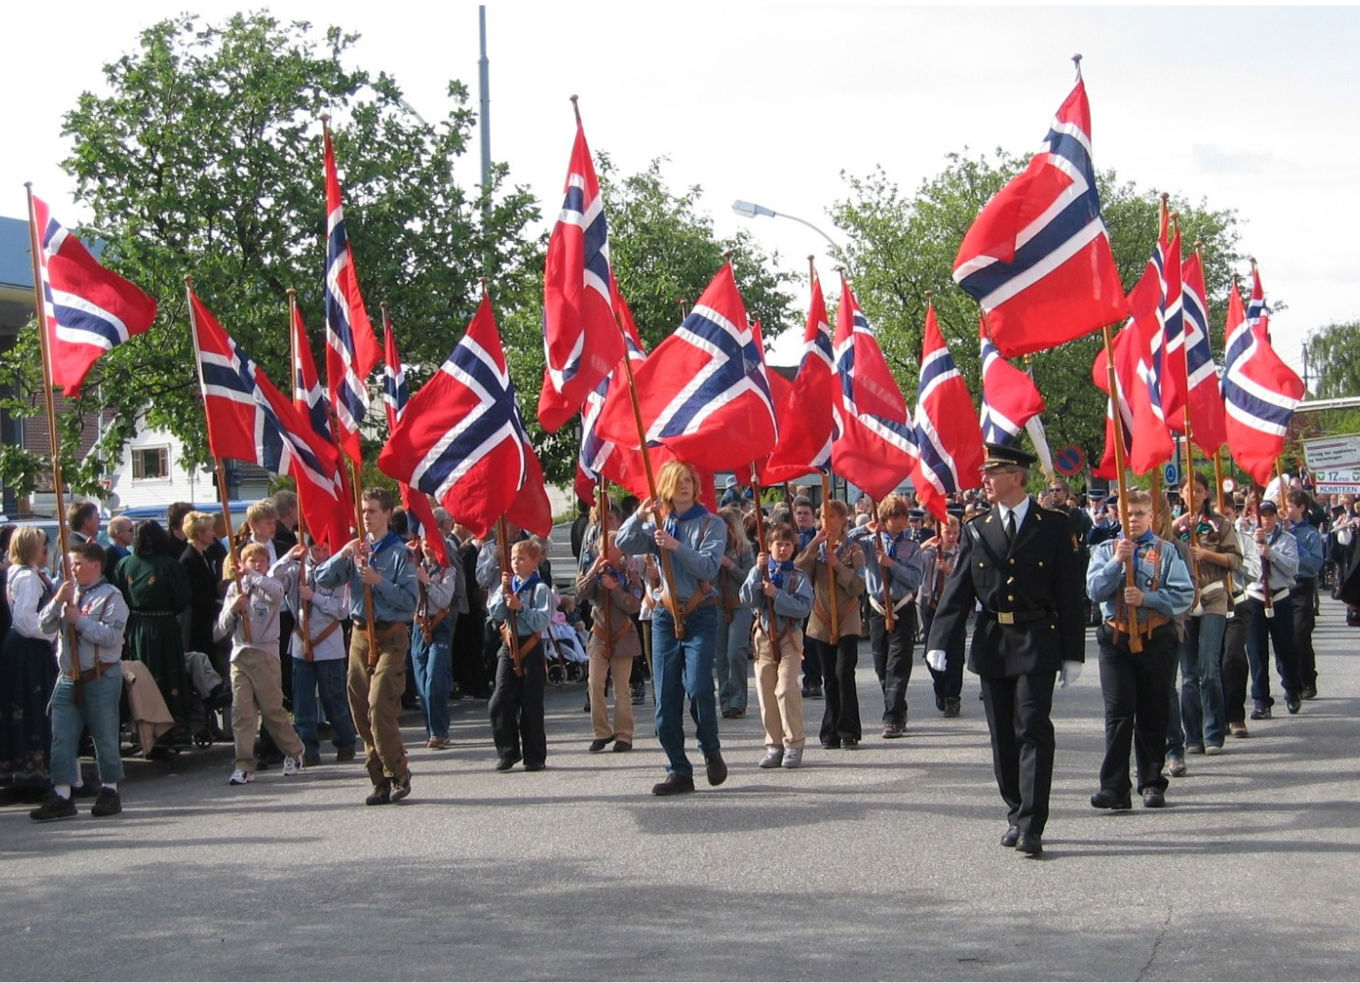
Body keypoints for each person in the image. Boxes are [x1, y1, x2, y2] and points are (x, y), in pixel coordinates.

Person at [925, 443, 1085, 857]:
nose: (985, 481)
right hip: (995, 640)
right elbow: (958, 590)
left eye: (993, 473)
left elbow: (1068, 592)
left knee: (1032, 726)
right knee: (1002, 736)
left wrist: (1073, 652)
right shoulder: (978, 528)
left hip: (1037, 637)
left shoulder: (1051, 525)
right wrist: (940, 639)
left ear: (1017, 476)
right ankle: (1015, 810)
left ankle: (1033, 822)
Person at [616, 459, 728, 796]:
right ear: (665, 485)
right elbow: (623, 542)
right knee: (664, 698)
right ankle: (678, 769)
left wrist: (674, 546)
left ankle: (709, 747)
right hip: (665, 614)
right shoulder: (658, 524)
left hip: (700, 611)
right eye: (678, 480)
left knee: (698, 686)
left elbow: (708, 568)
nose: (684, 486)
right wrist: (639, 515)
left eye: (689, 480)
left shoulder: (712, 524)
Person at [1087, 490, 1196, 809]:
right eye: (1128, 513)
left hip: (1154, 634)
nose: (1133, 519)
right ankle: (1114, 787)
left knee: (1152, 709)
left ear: (1152, 517)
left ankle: (1151, 781)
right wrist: (1117, 563)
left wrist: (1147, 599)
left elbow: (1183, 595)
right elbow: (1094, 591)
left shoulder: (1166, 551)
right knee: (1118, 712)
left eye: (1139, 514)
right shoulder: (1106, 549)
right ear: (1119, 516)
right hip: (1116, 636)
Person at [315, 488, 417, 806]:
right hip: (360, 634)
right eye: (362, 511)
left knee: (378, 705)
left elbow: (410, 600)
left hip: (390, 634)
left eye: (372, 510)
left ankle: (398, 771)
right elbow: (322, 580)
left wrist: (378, 581)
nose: (366, 517)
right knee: (360, 711)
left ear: (387, 514)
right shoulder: (358, 549)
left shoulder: (400, 553)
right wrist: (343, 554)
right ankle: (379, 781)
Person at [28, 541, 129, 822]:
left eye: (77, 563)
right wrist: (58, 602)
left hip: (99, 674)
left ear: (95, 565)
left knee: (105, 735)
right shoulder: (67, 592)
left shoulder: (112, 597)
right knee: (61, 735)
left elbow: (112, 637)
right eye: (70, 564)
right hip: (68, 676)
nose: (71, 568)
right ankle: (62, 794)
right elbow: (44, 626)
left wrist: (80, 622)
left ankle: (110, 790)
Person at [216, 542, 306, 785]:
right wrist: (233, 609)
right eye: (251, 561)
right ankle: (244, 764)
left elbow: (277, 593)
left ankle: (294, 750)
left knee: (272, 711)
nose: (256, 565)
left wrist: (254, 576)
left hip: (265, 655)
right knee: (242, 713)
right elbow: (220, 629)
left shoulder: (269, 585)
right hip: (240, 655)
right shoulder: (235, 590)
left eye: (261, 561)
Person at [1167, 475, 1240, 763]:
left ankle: (1213, 732)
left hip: (1213, 596)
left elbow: (1234, 560)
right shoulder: (1175, 527)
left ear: (1206, 493)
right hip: (1186, 601)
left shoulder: (1219, 524)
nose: (1193, 495)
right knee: (1189, 675)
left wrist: (1206, 553)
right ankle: (1192, 735)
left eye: (1198, 490)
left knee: (1209, 668)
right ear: (1182, 494)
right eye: (1188, 490)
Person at [272, 539, 356, 766]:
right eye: (316, 548)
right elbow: (271, 579)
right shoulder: (296, 569)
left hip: (328, 643)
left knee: (334, 698)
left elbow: (341, 610)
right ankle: (308, 748)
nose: (320, 553)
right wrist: (288, 557)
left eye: (325, 549)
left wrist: (314, 597)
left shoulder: (338, 570)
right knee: (303, 701)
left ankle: (345, 741)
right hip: (301, 641)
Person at [740, 522, 813, 769]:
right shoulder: (760, 572)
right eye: (777, 544)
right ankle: (774, 744)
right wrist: (756, 573)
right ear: (768, 546)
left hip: (790, 636)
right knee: (766, 690)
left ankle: (794, 743)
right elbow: (746, 598)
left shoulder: (798, 576)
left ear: (793, 548)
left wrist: (777, 595)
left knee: (785, 688)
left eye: (787, 545)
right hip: (763, 635)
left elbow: (804, 607)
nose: (782, 549)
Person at [114, 521, 192, 747]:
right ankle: (162, 728)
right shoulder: (166, 565)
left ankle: (153, 729)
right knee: (153, 676)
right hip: (159, 625)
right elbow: (183, 597)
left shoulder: (125, 564)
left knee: (150, 675)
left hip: (138, 625)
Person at [854, 493, 925, 739]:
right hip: (877, 608)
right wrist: (864, 527)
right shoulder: (869, 542)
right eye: (894, 516)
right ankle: (898, 709)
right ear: (884, 518)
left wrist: (891, 564)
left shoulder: (912, 547)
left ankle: (892, 718)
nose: (899, 521)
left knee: (898, 664)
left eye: (903, 516)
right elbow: (842, 544)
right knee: (881, 665)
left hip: (902, 607)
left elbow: (916, 579)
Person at [797, 499, 865, 750]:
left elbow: (859, 585)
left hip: (847, 618)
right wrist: (814, 544)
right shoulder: (815, 548)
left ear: (843, 519)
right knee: (829, 676)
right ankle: (830, 730)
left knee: (843, 672)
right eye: (823, 517)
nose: (827, 522)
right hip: (822, 619)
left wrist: (837, 566)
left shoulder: (853, 549)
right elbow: (798, 572)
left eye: (832, 517)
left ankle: (849, 729)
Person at [576, 498, 642, 753]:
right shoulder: (597, 570)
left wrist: (614, 590)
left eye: (610, 549)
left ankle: (624, 734)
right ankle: (601, 732)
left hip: (623, 635)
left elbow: (633, 605)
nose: (605, 553)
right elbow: (581, 591)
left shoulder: (629, 576)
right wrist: (594, 570)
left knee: (622, 688)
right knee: (594, 683)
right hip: (600, 633)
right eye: (602, 548)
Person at [0, 527, 58, 800]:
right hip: (29, 647)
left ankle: (24, 770)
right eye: (42, 545)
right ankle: (33, 774)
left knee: (22, 706)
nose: (46, 550)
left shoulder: (17, 573)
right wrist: (51, 632)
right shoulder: (28, 577)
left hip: (20, 646)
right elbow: (25, 619)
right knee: (33, 706)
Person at [487, 538, 553, 771]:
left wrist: (521, 608)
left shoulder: (540, 589)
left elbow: (542, 621)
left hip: (531, 645)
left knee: (531, 702)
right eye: (513, 558)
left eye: (521, 558)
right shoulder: (509, 585)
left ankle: (535, 756)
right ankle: (508, 751)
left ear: (534, 562)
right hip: (509, 644)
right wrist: (503, 592)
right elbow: (495, 613)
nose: (515, 562)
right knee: (500, 699)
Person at [1242, 499, 1302, 719]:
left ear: (1276, 516)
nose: (1266, 518)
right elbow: (1245, 571)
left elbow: (1292, 568)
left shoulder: (1287, 539)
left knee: (1286, 649)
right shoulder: (1247, 540)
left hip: (1280, 597)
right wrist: (1257, 551)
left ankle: (1292, 689)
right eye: (1261, 514)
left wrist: (1271, 554)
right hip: (1256, 597)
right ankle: (1261, 700)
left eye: (1270, 514)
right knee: (1256, 652)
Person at [410, 534, 459, 749]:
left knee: (434, 679)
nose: (429, 548)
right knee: (421, 683)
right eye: (425, 543)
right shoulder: (412, 567)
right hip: (418, 626)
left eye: (433, 544)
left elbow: (443, 600)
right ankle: (431, 730)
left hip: (439, 625)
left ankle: (440, 731)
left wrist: (427, 581)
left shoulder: (447, 571)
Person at [919, 515, 964, 717]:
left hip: (954, 607)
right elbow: (911, 560)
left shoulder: (962, 553)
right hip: (931, 605)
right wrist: (925, 545)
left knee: (955, 654)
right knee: (931, 653)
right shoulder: (930, 553)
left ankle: (953, 697)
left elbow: (964, 577)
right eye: (948, 532)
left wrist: (948, 570)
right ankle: (940, 687)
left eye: (955, 532)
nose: (952, 536)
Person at [714, 506, 754, 719]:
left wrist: (729, 565)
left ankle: (739, 699)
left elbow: (749, 578)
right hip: (718, 605)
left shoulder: (745, 550)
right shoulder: (711, 548)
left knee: (735, 652)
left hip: (740, 604)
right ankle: (726, 701)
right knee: (720, 656)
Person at [1286, 490, 1324, 700]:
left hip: (1302, 587)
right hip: (1282, 588)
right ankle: (1291, 681)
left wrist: (1294, 543)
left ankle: (1308, 678)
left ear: (1301, 508)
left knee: (1301, 635)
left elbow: (1314, 564)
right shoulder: (1280, 531)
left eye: (1290, 506)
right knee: (1285, 638)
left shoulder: (1311, 534)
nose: (1286, 510)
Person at [102, 515, 134, 582]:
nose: (133, 533)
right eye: (130, 530)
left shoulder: (129, 554)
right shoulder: (106, 556)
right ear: (118, 533)